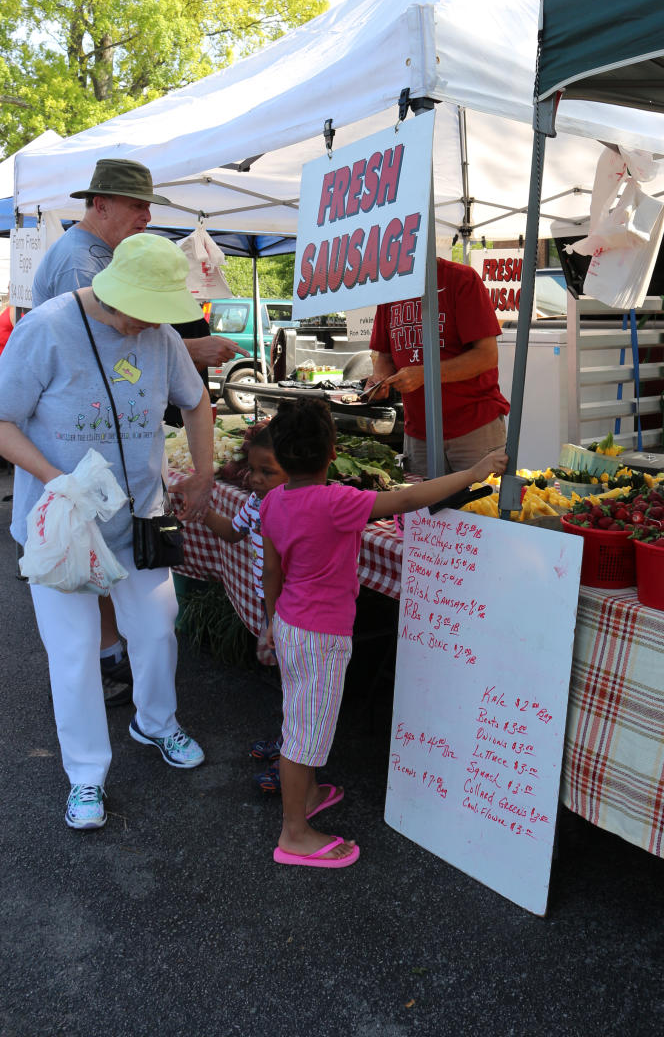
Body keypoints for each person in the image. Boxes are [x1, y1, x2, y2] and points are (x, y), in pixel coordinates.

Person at [0, 232, 215, 831]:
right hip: (61, 529)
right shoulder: (43, 330)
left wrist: (203, 472)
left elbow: (196, 403)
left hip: (139, 520)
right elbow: (2, 421)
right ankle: (87, 777)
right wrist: (55, 478)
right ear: (113, 291)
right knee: (72, 655)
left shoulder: (161, 335)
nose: (144, 327)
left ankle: (156, 723)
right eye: (139, 314)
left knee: (156, 631)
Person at [31, 157, 246, 705]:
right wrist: (190, 350)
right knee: (77, 630)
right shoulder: (81, 267)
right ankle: (104, 684)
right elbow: (110, 349)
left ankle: (143, 702)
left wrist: (176, 354)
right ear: (100, 204)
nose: (147, 215)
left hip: (116, 496)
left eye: (149, 206)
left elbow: (145, 351)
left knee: (143, 618)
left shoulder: (97, 255)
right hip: (79, 495)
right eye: (136, 205)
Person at [260, 396, 508, 868]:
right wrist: (476, 471)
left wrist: (271, 621)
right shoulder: (337, 502)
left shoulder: (273, 500)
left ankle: (307, 795)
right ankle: (294, 833)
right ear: (332, 450)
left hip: (291, 623)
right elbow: (411, 498)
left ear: (281, 455)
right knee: (303, 733)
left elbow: (272, 569)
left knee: (301, 713)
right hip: (321, 636)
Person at [201, 422, 287, 792]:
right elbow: (233, 532)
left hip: (292, 612)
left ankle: (292, 763)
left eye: (268, 471)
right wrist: (201, 511)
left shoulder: (294, 508)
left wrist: (275, 619)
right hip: (273, 609)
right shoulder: (255, 502)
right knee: (288, 683)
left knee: (298, 688)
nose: (254, 479)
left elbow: (278, 569)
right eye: (253, 470)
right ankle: (288, 744)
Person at [366, 256, 510, 477]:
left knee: (481, 507)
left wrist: (427, 374)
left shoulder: (461, 278)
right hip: (419, 434)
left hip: (473, 429)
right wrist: (380, 380)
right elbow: (384, 356)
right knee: (424, 511)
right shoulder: (391, 288)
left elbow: (487, 356)